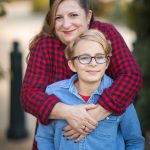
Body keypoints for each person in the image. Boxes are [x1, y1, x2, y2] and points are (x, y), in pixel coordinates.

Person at [20, 0, 142, 149]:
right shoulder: (45, 45)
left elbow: (131, 76)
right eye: (59, 17)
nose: (66, 24)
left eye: (73, 15)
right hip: (56, 141)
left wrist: (94, 115)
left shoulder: (105, 34)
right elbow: (29, 96)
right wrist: (69, 113)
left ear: (88, 15)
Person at [35, 29, 144, 150]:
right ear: (72, 65)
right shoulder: (54, 93)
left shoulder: (121, 95)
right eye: (85, 58)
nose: (93, 64)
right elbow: (44, 138)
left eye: (99, 57)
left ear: (107, 63)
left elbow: (134, 140)